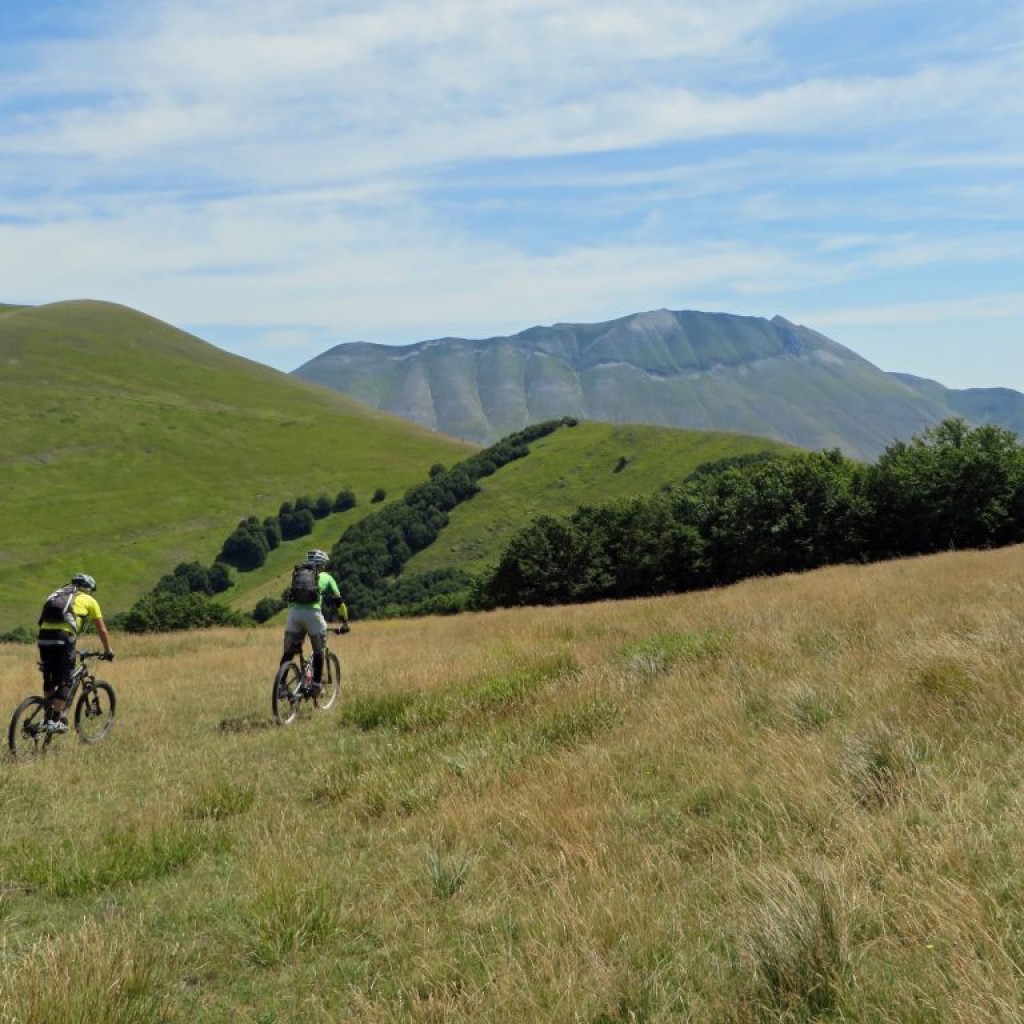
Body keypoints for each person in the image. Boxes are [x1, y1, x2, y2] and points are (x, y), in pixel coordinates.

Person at [37, 572, 115, 733]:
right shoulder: (90, 600)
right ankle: (55, 720)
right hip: (63, 638)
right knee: (67, 679)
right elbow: (102, 629)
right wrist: (108, 651)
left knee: (50, 676)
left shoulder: (56, 594)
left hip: (43, 638)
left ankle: (47, 715)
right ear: (88, 588)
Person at [279, 549, 349, 695]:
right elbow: (339, 603)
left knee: (288, 653)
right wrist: (345, 622)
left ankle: (280, 686)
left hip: (293, 615)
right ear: (323, 564)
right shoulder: (326, 577)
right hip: (312, 615)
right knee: (319, 651)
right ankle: (317, 685)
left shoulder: (299, 574)